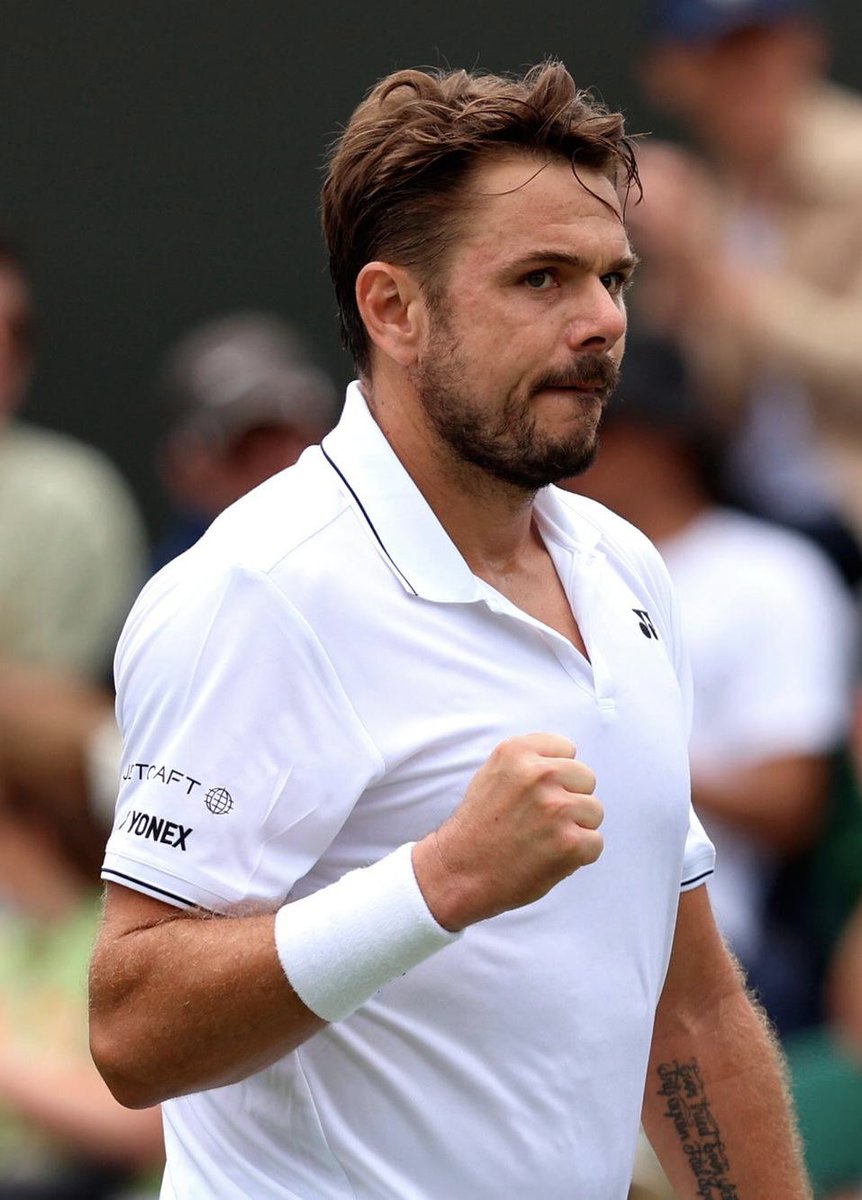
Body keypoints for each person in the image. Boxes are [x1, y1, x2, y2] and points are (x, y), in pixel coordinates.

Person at [88, 61, 811, 1199]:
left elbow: (688, 1011)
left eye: (615, 277)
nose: (602, 324)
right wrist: (437, 883)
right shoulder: (257, 589)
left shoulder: (622, 570)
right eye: (540, 279)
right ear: (393, 309)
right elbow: (132, 1032)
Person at [567, 335, 855, 1034]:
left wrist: (619, 755)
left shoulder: (769, 574)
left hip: (702, 942)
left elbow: (791, 799)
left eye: (597, 422)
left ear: (659, 441)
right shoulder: (539, 564)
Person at [631, 0, 862, 585]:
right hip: (754, 521)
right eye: (721, 53)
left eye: (765, 45)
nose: (751, 72)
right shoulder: (710, 194)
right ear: (673, 73)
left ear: (806, 46)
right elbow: (717, 399)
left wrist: (708, 270)